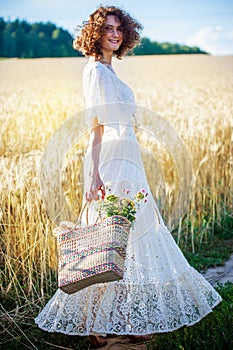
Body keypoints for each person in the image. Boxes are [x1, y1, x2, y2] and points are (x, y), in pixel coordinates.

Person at [35, 5, 222, 348]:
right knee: (112, 242)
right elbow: (94, 129)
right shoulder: (95, 71)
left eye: (119, 28)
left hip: (129, 159)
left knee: (127, 242)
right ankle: (98, 327)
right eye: (108, 28)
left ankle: (122, 321)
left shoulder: (109, 70)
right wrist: (93, 177)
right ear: (96, 33)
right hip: (113, 161)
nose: (115, 33)